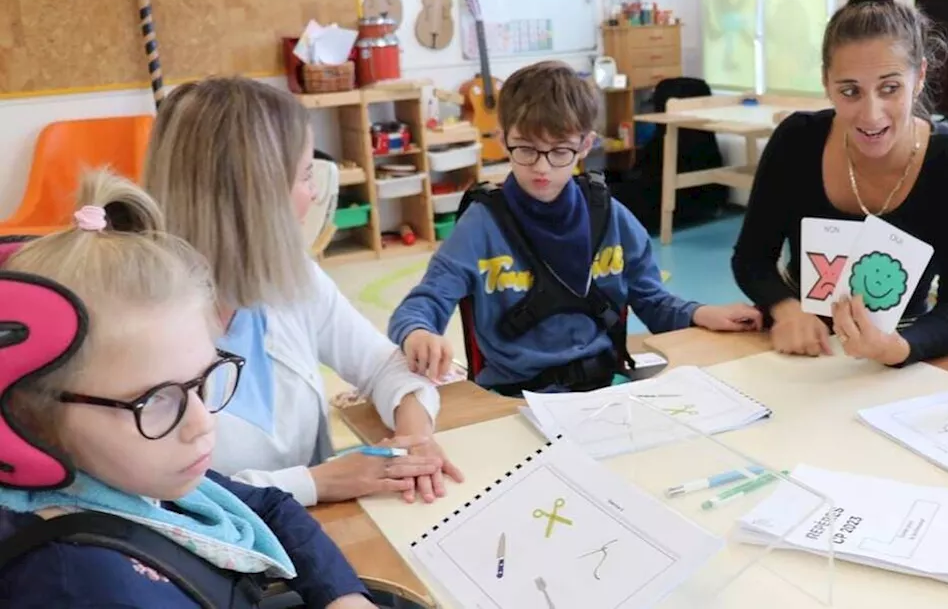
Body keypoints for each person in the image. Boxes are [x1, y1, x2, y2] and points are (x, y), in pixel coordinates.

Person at [0, 173, 376, 608]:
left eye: (201, 381)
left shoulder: (137, 476)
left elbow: (267, 508)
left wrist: (343, 597)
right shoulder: (82, 585)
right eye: (156, 399)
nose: (202, 423)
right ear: (33, 421)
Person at [144, 77, 462, 507]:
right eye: (306, 175)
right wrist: (318, 482)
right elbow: (160, 500)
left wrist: (415, 435)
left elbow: (383, 365)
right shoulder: (142, 327)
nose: (313, 194)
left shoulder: (293, 279)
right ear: (255, 196)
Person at [389, 61, 762, 395]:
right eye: (526, 149)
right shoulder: (481, 225)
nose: (542, 168)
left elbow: (653, 302)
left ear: (585, 145)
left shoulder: (612, 218)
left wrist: (700, 313)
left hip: (603, 388)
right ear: (502, 139)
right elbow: (423, 303)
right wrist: (418, 333)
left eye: (560, 151)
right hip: (513, 399)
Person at [732, 0, 948, 366]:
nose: (871, 115)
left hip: (904, 350)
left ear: (920, 76)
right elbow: (751, 259)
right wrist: (785, 307)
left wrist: (899, 348)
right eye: (850, 92)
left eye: (890, 88)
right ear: (826, 83)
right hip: (802, 351)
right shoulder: (798, 140)